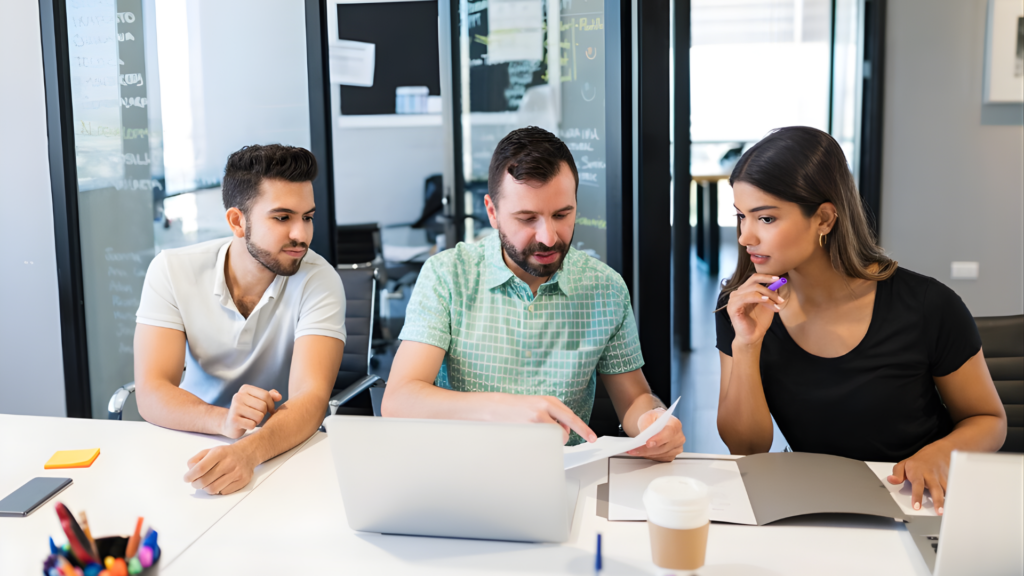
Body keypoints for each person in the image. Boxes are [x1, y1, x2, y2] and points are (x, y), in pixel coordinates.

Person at [716, 126, 1007, 513]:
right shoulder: (742, 306)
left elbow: (988, 419)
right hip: (808, 502)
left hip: (912, 498)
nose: (745, 237)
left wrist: (939, 454)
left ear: (823, 218)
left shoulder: (927, 305)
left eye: (765, 219)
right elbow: (746, 449)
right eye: (740, 217)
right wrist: (747, 345)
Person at [383, 126, 685, 461]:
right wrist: (505, 408)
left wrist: (652, 421)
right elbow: (399, 400)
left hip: (565, 476)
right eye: (527, 218)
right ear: (492, 212)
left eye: (562, 215)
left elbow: (633, 399)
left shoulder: (605, 288)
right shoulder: (448, 275)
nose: (548, 237)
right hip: (463, 471)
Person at [134, 144, 346, 495]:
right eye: (282, 218)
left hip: (279, 448)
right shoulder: (172, 270)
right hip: (188, 438)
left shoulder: (319, 281)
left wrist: (248, 451)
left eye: (307, 217)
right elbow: (152, 390)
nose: (302, 234)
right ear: (237, 221)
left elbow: (310, 399)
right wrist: (224, 421)